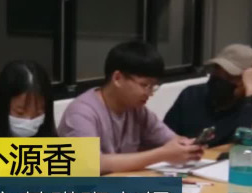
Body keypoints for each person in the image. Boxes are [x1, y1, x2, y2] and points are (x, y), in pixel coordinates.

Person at [58, 41, 203, 174]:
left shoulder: (137, 110)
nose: (150, 93)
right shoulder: (81, 113)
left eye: (153, 86)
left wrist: (188, 146)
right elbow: (94, 163)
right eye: (144, 85)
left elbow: (170, 139)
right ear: (117, 78)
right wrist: (163, 154)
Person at [165, 44, 252, 146]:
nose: (221, 80)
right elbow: (163, 137)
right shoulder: (191, 95)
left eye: (230, 77)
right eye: (217, 72)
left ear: (246, 81)